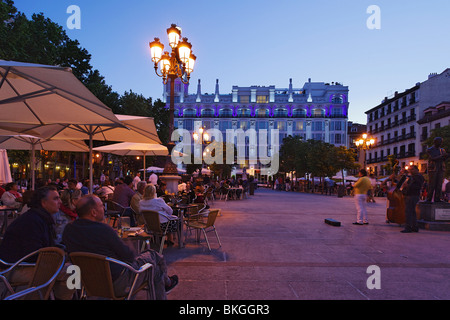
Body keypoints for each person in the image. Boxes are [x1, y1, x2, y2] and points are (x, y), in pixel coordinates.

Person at [62, 195, 178, 300]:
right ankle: (167, 283)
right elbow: (129, 256)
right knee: (154, 258)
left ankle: (167, 281)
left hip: (87, 283)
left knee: (154, 265)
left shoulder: (69, 229)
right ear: (93, 212)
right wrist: (125, 242)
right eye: (101, 206)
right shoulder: (104, 230)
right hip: (117, 283)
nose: (104, 209)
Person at [0, 186, 74, 300]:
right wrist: (60, 257)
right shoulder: (33, 221)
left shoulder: (39, 217)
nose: (59, 202)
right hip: (14, 269)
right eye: (55, 199)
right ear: (43, 203)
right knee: (74, 271)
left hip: (20, 265)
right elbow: (34, 254)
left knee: (70, 268)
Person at [401, 165, 424, 233]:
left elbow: (417, 187)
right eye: (410, 169)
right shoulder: (412, 177)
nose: (411, 171)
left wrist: (407, 186)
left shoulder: (418, 177)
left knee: (409, 212)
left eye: (412, 169)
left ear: (417, 169)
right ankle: (414, 227)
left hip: (412, 196)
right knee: (412, 212)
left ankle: (408, 227)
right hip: (410, 195)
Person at [426, 137, 449, 202]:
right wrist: (442, 156)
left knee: (439, 184)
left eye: (441, 142)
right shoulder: (430, 149)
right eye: (440, 142)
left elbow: (444, 159)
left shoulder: (442, 150)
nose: (441, 143)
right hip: (433, 168)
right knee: (432, 184)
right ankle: (429, 199)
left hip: (441, 168)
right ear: (435, 142)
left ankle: (437, 198)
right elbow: (432, 158)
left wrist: (446, 157)